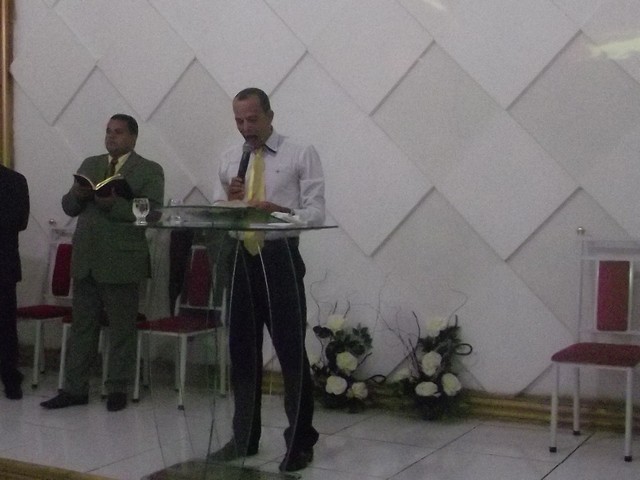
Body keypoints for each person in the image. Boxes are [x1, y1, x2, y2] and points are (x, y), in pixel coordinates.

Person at [210, 88, 325, 472]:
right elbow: (216, 210)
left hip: (279, 258)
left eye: (252, 119)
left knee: (290, 351)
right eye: (239, 121)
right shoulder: (230, 157)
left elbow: (315, 213)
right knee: (242, 351)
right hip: (240, 259)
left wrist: (279, 211)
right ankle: (243, 436)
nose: (246, 128)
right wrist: (229, 202)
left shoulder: (300, 153)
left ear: (270, 116)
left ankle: (300, 442)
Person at [41, 114, 164, 412]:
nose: (111, 136)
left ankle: (117, 389)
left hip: (122, 261)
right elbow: (69, 206)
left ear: (133, 137)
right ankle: (75, 389)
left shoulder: (148, 169)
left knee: (122, 329)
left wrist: (116, 205)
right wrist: (77, 193)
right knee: (82, 328)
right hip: (87, 259)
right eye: (108, 131)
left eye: (118, 132)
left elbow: (151, 213)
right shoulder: (91, 164)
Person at [0, 164, 30, 400]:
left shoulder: (14, 180)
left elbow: (20, 221)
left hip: (3, 263)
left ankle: (10, 377)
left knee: (5, 324)